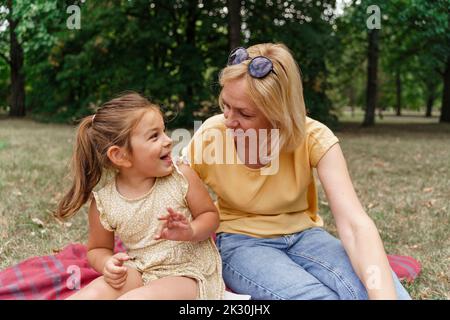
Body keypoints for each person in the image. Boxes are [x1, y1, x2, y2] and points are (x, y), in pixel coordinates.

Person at [182, 43, 411, 300]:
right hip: (242, 241)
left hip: (306, 236)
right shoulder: (212, 134)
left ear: (278, 114)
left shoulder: (314, 136)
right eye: (225, 105)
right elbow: (172, 187)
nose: (228, 119)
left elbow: (355, 225)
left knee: (382, 290)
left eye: (244, 113)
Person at [56, 92, 225, 300]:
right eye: (154, 136)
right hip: (141, 269)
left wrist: (191, 230)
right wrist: (107, 263)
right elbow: (97, 249)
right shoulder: (104, 202)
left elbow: (211, 216)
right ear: (120, 156)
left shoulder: (181, 177)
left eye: (164, 131)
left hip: (188, 273)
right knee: (91, 294)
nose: (168, 141)